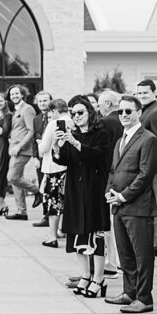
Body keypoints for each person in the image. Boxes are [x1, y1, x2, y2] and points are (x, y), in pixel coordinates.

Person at [105, 96, 157, 314]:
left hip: (138, 208)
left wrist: (123, 196)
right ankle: (130, 292)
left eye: (128, 111)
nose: (124, 115)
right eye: (120, 111)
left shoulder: (148, 139)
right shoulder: (121, 139)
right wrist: (109, 192)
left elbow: (145, 175)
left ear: (139, 112)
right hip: (119, 206)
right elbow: (113, 170)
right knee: (125, 254)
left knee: (142, 256)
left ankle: (144, 299)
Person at [54, 95, 111, 298]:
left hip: (94, 188)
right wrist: (57, 147)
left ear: (89, 112)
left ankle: (99, 279)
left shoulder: (100, 133)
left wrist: (75, 143)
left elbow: (97, 156)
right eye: (73, 113)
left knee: (96, 234)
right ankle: (85, 276)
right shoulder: (73, 133)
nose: (76, 116)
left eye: (80, 112)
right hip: (75, 190)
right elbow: (66, 160)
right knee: (77, 233)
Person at [135, 80, 157, 255]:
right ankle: (154, 242)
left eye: (145, 93)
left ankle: (156, 244)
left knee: (155, 205)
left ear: (154, 93)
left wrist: (148, 165)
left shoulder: (156, 113)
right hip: (147, 167)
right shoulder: (146, 110)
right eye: (139, 93)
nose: (142, 96)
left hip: (153, 169)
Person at [36, 99, 70, 248]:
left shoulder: (53, 124)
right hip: (68, 168)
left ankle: (52, 236)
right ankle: (62, 229)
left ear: (54, 111)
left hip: (54, 168)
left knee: (53, 202)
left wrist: (39, 144)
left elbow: (44, 148)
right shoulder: (73, 122)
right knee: (65, 200)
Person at [97, 89, 124, 275]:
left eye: (99, 105)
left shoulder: (105, 123)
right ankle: (119, 262)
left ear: (107, 104)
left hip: (108, 176)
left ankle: (112, 263)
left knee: (108, 222)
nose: (99, 109)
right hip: (122, 175)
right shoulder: (124, 121)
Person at [5, 85, 40, 221]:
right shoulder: (16, 110)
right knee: (16, 180)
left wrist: (19, 146)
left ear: (22, 94)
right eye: (12, 94)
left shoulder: (27, 109)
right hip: (13, 149)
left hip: (22, 150)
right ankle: (21, 211)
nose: (14, 96)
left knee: (12, 177)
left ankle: (37, 191)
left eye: (16, 93)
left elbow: (31, 131)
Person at [32, 91, 52, 228]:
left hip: (52, 158)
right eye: (40, 101)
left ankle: (51, 216)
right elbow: (34, 139)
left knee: (51, 188)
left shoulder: (53, 116)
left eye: (45, 100)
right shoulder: (37, 119)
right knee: (43, 187)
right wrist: (35, 157)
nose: (42, 103)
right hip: (40, 158)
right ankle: (45, 216)